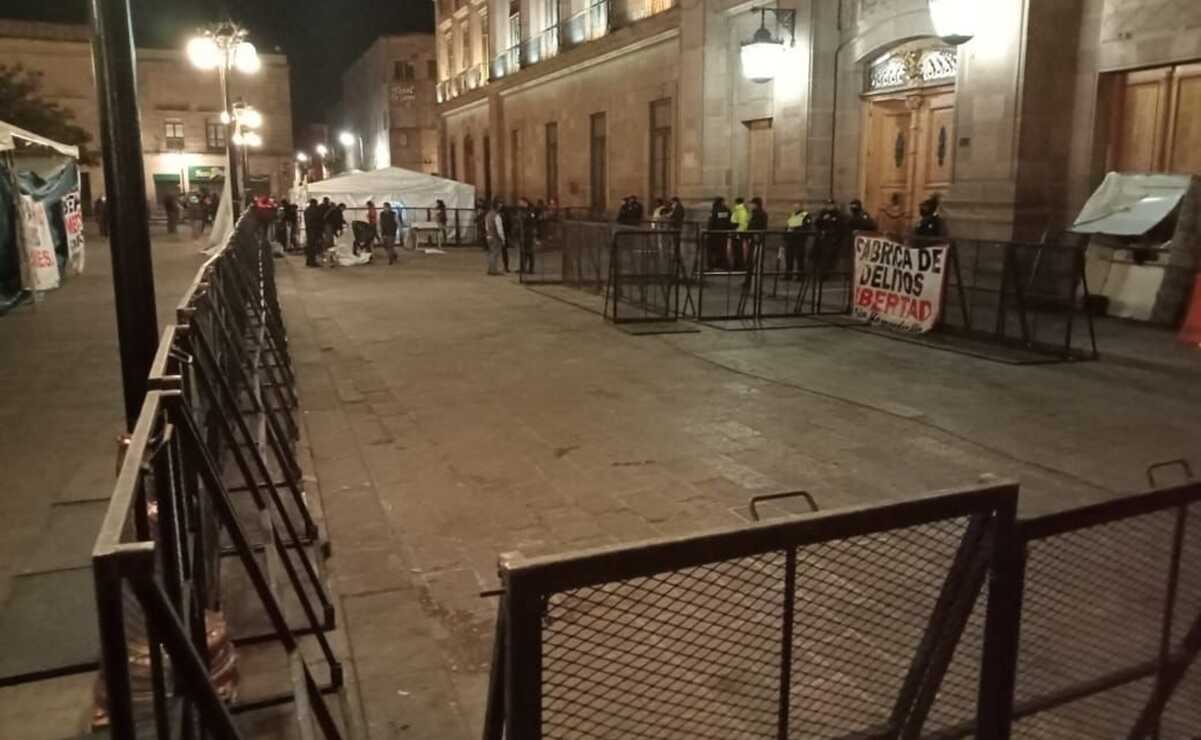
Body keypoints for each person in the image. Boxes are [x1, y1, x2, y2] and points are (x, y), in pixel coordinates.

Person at [784, 202, 812, 281]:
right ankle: (788, 275)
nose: (795, 208)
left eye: (797, 206)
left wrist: (796, 230)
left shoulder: (805, 215)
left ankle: (800, 276)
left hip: (799, 240)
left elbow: (806, 227)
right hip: (790, 240)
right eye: (794, 206)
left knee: (800, 258)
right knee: (789, 257)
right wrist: (786, 235)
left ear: (801, 207)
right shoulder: (792, 214)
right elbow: (788, 226)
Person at [707, 197, 732, 270]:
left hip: (714, 234)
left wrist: (709, 231)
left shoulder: (714, 210)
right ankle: (723, 265)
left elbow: (711, 222)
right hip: (723, 234)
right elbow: (728, 221)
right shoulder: (726, 210)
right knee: (722, 250)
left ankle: (712, 266)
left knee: (712, 251)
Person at [485, 199, 506, 275]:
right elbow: (499, 228)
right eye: (500, 205)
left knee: (491, 253)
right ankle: (494, 270)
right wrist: (503, 238)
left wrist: (488, 234)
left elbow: (486, 227)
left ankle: (491, 269)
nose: (501, 207)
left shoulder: (488, 215)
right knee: (495, 254)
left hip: (489, 236)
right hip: (495, 237)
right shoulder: (497, 216)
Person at [748, 197, 768, 272]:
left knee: (754, 260)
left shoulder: (759, 214)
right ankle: (749, 280)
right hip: (754, 238)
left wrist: (756, 235)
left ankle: (752, 281)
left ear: (756, 204)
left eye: (752, 204)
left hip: (757, 240)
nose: (751, 205)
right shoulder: (755, 213)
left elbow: (758, 226)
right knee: (751, 260)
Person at [519, 197, 538, 274]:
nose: (519, 204)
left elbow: (532, 221)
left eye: (520, 202)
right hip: (524, 233)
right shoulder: (523, 210)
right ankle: (523, 268)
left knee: (530, 252)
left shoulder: (531, 210)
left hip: (529, 233)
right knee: (523, 251)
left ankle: (531, 269)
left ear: (525, 202)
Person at [731, 196, 750, 270]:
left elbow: (741, 222)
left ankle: (739, 266)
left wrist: (738, 232)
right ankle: (738, 265)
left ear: (736, 202)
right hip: (738, 232)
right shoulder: (742, 209)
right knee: (738, 250)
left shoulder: (739, 210)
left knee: (738, 250)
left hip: (737, 232)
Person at [303, 199, 323, 267]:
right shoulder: (315, 210)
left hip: (308, 229)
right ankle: (312, 262)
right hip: (314, 229)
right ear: (315, 203)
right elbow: (319, 220)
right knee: (313, 246)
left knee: (310, 246)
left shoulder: (307, 210)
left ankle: (309, 261)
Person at [499, 199, 514, 272]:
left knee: (504, 250)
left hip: (504, 232)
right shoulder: (498, 212)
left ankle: (506, 266)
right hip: (501, 232)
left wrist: (508, 233)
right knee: (500, 251)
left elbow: (509, 223)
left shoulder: (505, 212)